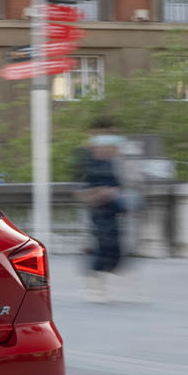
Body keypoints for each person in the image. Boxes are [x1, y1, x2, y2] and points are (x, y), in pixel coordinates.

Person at [76, 128, 126, 301]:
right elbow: (81, 189)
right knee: (102, 246)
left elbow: (118, 185)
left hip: (112, 209)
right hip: (99, 210)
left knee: (113, 247)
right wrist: (98, 193)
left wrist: (113, 195)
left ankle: (98, 283)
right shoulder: (89, 164)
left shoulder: (109, 163)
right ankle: (95, 286)